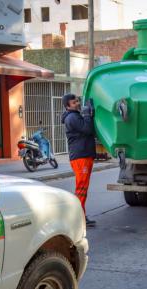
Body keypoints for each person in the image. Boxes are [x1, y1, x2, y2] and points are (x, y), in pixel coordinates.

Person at [62, 93, 96, 227]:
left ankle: (79, 215)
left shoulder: (74, 116)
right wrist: (87, 115)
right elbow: (87, 129)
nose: (77, 103)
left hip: (83, 155)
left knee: (82, 187)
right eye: (74, 102)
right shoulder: (72, 118)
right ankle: (77, 217)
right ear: (67, 106)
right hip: (80, 156)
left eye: (77, 101)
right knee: (81, 188)